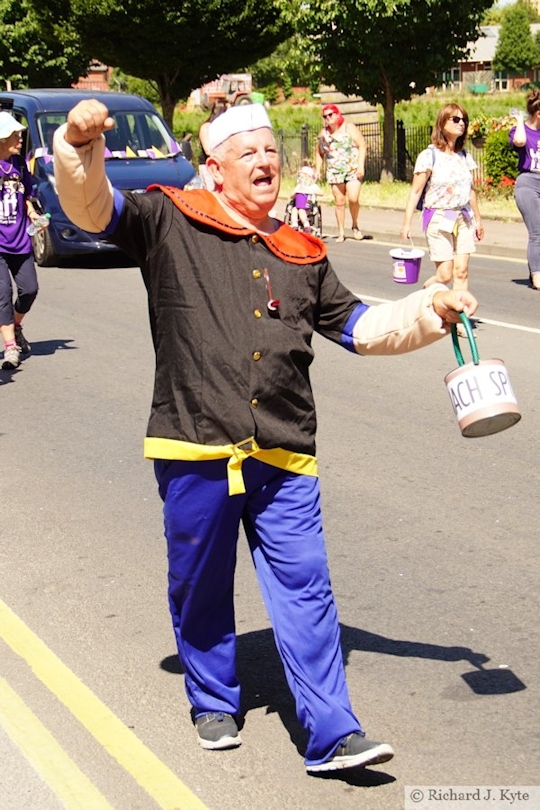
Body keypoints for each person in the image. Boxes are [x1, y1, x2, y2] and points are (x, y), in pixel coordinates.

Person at [53, 99, 477, 774]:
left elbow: (361, 327)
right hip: (194, 443)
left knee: (307, 588)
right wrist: (78, 146)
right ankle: (213, 695)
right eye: (246, 151)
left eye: (271, 151)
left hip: (285, 448)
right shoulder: (168, 217)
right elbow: (90, 206)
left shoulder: (301, 251)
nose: (264, 161)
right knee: (200, 581)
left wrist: (432, 309)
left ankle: (333, 732)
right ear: (214, 168)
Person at [400, 104, 484, 336]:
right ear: (442, 123)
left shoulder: (465, 156)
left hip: (463, 216)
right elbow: (416, 192)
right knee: (445, 274)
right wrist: (407, 223)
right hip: (438, 217)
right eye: (455, 119)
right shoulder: (429, 156)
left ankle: (459, 322)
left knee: (462, 271)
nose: (461, 123)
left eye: (463, 120)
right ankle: (425, 295)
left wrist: (478, 219)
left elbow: (472, 190)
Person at [0, 111, 41, 370]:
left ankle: (15, 327)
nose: (19, 137)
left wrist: (32, 212)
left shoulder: (19, 164)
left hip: (20, 241)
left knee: (29, 290)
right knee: (2, 294)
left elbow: (25, 192)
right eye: (15, 134)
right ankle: (9, 348)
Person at [315, 104, 367, 243]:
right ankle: (341, 232)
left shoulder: (349, 128)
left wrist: (361, 165)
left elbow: (362, 145)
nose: (328, 118)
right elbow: (319, 152)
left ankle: (355, 225)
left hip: (352, 169)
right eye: (325, 116)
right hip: (334, 171)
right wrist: (318, 170)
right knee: (339, 201)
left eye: (330, 115)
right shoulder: (323, 134)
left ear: (338, 114)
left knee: (353, 198)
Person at [509, 91, 540, 290]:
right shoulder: (519, 130)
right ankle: (537, 275)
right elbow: (520, 142)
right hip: (528, 182)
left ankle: (534, 269)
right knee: (537, 232)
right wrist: (520, 120)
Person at [198, 101, 228, 190]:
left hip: (223, 164)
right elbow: (208, 150)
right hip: (208, 166)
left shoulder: (225, 128)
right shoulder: (206, 127)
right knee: (211, 191)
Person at [288, 165, 323, 233]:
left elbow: (321, 193)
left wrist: (312, 192)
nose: (302, 178)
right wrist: (295, 192)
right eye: (301, 176)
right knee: (294, 210)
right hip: (298, 204)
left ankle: (306, 225)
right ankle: (294, 224)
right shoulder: (299, 186)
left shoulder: (313, 186)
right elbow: (291, 196)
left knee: (301, 210)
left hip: (308, 206)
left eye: (304, 176)